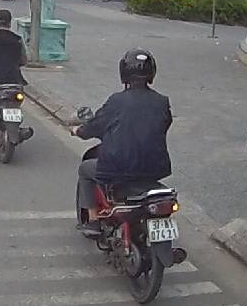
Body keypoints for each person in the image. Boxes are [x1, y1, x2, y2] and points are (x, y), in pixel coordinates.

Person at [70, 49, 173, 237]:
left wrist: (78, 131)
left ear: (124, 73)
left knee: (85, 170)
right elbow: (163, 125)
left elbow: (95, 126)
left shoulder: (116, 101)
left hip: (119, 169)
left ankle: (93, 220)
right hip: (154, 169)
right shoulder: (162, 102)